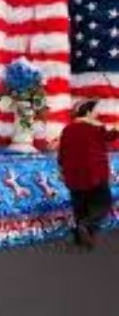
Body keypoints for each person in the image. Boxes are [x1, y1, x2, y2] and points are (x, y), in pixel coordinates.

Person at [58, 99, 118, 249]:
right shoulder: (95, 128)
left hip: (73, 173)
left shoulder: (67, 129)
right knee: (102, 203)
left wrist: (62, 170)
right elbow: (110, 136)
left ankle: (81, 236)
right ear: (88, 112)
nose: (98, 113)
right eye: (95, 110)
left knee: (80, 205)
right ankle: (87, 225)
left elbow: (62, 152)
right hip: (94, 172)